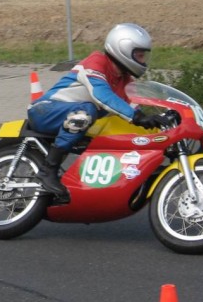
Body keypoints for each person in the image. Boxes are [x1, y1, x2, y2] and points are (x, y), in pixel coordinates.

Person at [26, 23, 169, 201]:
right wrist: (137, 117)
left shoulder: (124, 80)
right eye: (139, 55)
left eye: (143, 56)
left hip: (68, 118)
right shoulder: (96, 62)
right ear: (123, 49)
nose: (143, 61)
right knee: (86, 112)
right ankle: (48, 171)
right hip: (44, 110)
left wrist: (161, 121)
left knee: (115, 131)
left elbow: (134, 109)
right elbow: (101, 95)